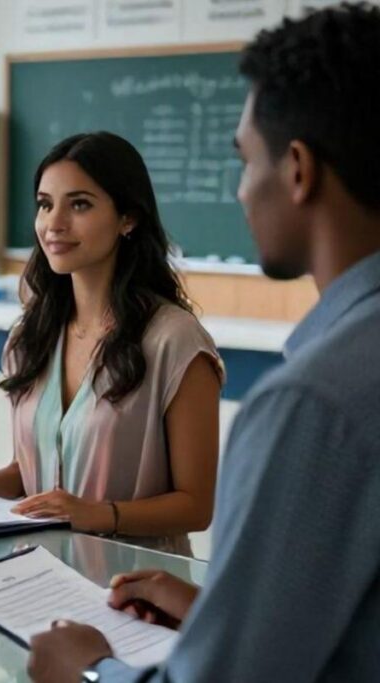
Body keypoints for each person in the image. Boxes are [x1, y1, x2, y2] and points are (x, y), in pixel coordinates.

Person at [27, 4, 380, 681]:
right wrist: (221, 606)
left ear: (299, 169)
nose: (241, 189)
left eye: (245, 160)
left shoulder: (313, 402)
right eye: (45, 203)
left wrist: (93, 672)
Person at [0, 132, 222, 553]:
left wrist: (99, 513)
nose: (54, 223)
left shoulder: (175, 342)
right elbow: (36, 473)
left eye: (80, 204)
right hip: (39, 580)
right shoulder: (29, 338)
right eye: (45, 204)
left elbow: (197, 507)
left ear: (128, 218)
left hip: (137, 591)